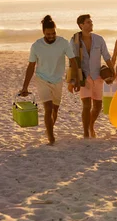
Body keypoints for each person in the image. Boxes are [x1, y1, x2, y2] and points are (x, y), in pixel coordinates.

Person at [20, 15, 80, 145]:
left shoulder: (63, 43)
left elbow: (73, 61)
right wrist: (25, 87)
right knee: (48, 108)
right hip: (42, 79)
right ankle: (51, 138)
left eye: (53, 33)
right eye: (48, 34)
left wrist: (77, 78)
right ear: (43, 32)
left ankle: (49, 130)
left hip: (57, 80)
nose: (51, 36)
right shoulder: (36, 46)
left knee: (55, 110)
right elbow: (31, 66)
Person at [70, 14, 115, 138]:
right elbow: (72, 60)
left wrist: (112, 71)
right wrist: (73, 80)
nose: (91, 24)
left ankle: (91, 125)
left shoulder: (99, 39)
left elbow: (106, 56)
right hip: (84, 76)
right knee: (86, 105)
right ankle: (85, 132)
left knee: (98, 106)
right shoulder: (75, 40)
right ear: (81, 25)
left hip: (97, 76)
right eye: (88, 22)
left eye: (91, 22)